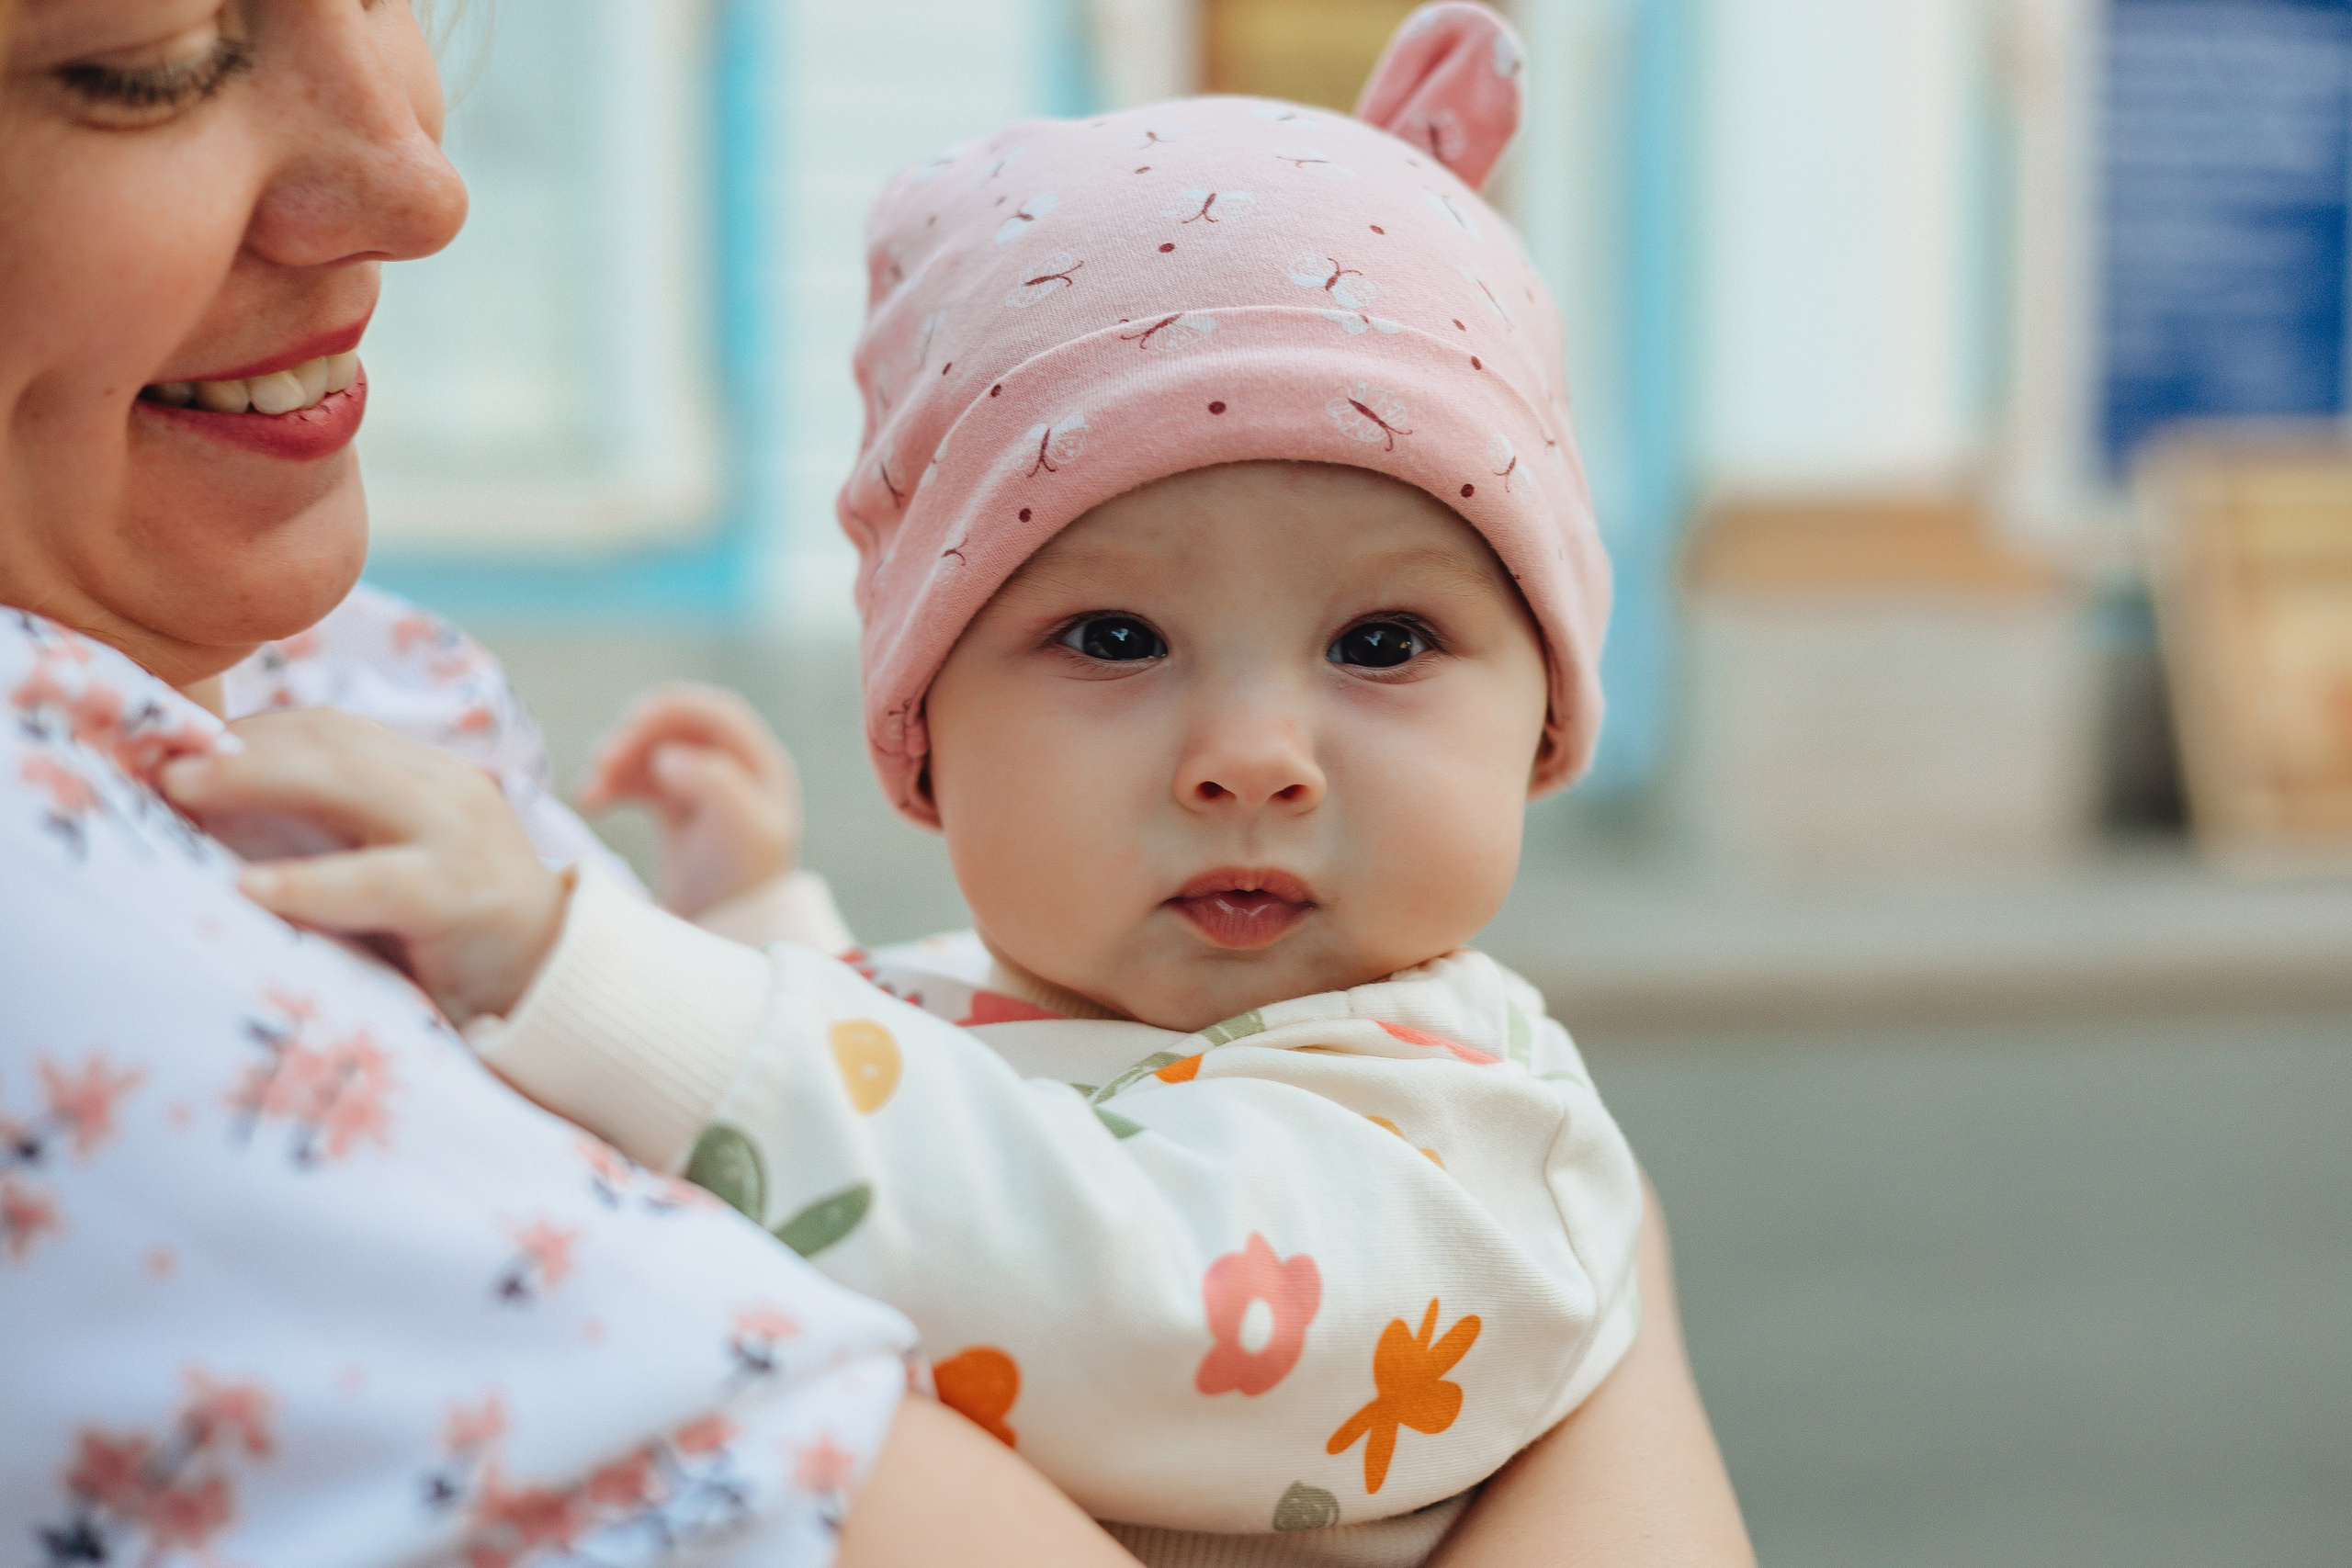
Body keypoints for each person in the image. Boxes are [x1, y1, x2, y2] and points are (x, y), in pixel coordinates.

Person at [170, 7, 1754, 1565]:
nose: (1252, 756)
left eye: (1385, 639)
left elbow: (1095, 1276)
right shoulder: (1044, 1007)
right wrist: (762, 921)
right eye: (1120, 636)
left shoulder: (1459, 1138)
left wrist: (590, 969)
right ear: (928, 720)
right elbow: (928, 1103)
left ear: (1548, 705)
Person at [0, 2, 1147, 1562]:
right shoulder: (56, 929)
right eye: (153, 56)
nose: (425, 189)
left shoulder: (283, 652)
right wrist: (1583, 1291)